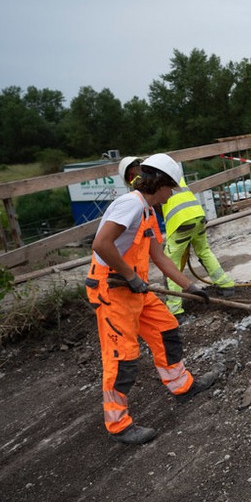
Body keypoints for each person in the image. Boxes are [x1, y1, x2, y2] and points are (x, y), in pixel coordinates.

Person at [87, 159, 221, 445]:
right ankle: (119, 425)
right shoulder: (131, 205)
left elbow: (158, 257)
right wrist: (129, 276)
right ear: (158, 183)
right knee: (122, 357)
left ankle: (182, 386)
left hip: (133, 287)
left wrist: (190, 286)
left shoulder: (148, 211)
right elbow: (101, 244)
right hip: (112, 290)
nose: (171, 194)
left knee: (166, 329)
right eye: (170, 188)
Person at [133, 154, 236, 316]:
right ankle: (226, 284)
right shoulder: (173, 176)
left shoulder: (154, 183)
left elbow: (159, 207)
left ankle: (175, 309)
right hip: (198, 214)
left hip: (180, 221)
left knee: (170, 261)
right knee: (204, 251)